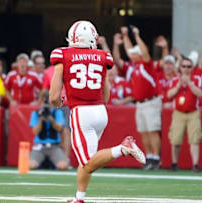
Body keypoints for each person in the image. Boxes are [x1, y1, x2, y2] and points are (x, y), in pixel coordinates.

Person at [49, 20, 146, 203]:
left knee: (87, 161)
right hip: (101, 112)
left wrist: (60, 101)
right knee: (87, 161)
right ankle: (80, 198)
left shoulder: (62, 54)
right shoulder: (103, 56)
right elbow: (106, 95)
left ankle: (123, 148)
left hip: (81, 113)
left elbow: (54, 96)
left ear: (72, 38)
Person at [112, 26, 163, 170]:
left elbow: (145, 51)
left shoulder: (147, 65)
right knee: (144, 131)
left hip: (151, 101)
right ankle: (149, 156)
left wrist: (136, 35)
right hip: (140, 103)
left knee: (152, 130)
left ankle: (156, 158)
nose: (131, 55)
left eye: (135, 54)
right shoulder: (133, 67)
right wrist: (125, 35)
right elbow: (128, 50)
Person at [167, 57, 202, 173]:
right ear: (180, 67)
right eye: (184, 66)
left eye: (189, 67)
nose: (186, 69)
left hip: (193, 113)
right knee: (175, 140)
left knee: (194, 139)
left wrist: (189, 83)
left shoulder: (197, 79)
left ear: (191, 68)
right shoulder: (174, 80)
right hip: (178, 113)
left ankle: (195, 165)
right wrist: (178, 85)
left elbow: (200, 93)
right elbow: (169, 95)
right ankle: (174, 163)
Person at [29, 92, 69, 170]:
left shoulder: (57, 112)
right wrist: (40, 119)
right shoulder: (36, 113)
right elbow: (35, 132)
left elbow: (60, 128)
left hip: (54, 146)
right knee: (31, 165)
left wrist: (52, 120)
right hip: (40, 146)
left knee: (63, 166)